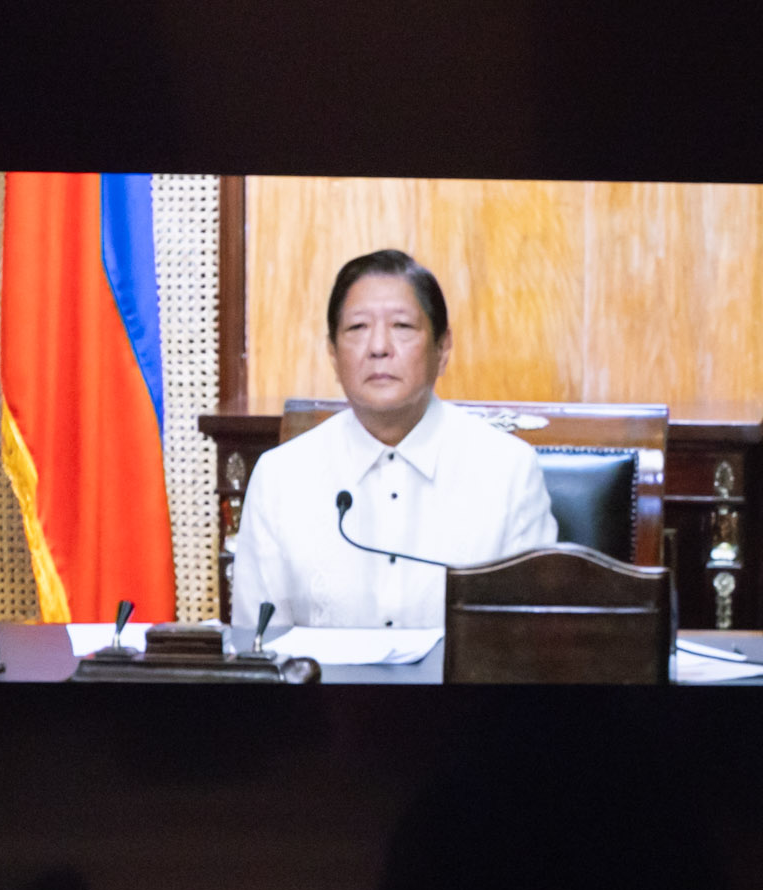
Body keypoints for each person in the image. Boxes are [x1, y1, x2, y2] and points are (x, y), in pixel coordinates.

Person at [230, 250, 556, 632]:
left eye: (402, 326)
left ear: (443, 348)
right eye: (357, 328)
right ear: (333, 354)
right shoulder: (281, 476)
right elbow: (258, 645)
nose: (379, 346)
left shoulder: (507, 470)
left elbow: (531, 642)